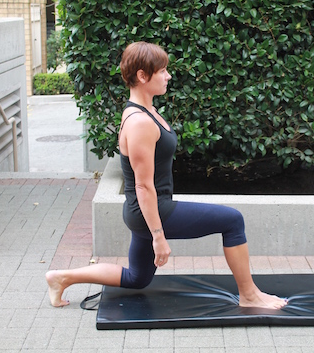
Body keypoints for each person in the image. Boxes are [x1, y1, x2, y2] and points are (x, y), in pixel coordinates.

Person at [45, 41, 288, 310]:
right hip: (152, 211)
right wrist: (158, 236)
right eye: (162, 71)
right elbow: (143, 186)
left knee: (137, 278)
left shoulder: (147, 111)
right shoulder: (139, 122)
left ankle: (61, 277)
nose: (168, 76)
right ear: (142, 75)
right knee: (232, 220)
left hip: (145, 211)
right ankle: (249, 295)